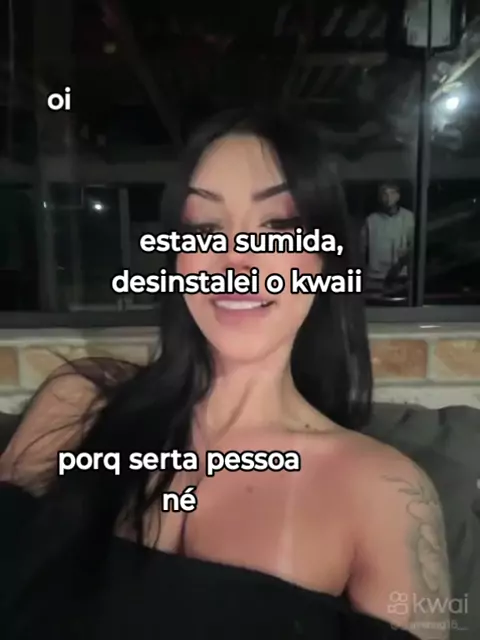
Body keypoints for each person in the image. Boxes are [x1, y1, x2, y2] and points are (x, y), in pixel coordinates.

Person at [0, 109, 450, 639]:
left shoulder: (386, 494)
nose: (237, 263)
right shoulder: (77, 403)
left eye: (278, 228)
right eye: (205, 228)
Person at [363, 182, 415, 294]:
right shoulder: (371, 220)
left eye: (392, 193)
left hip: (400, 276)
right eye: (384, 194)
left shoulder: (408, 217)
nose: (388, 197)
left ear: (398, 196)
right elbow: (362, 249)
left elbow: (414, 245)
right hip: (375, 276)